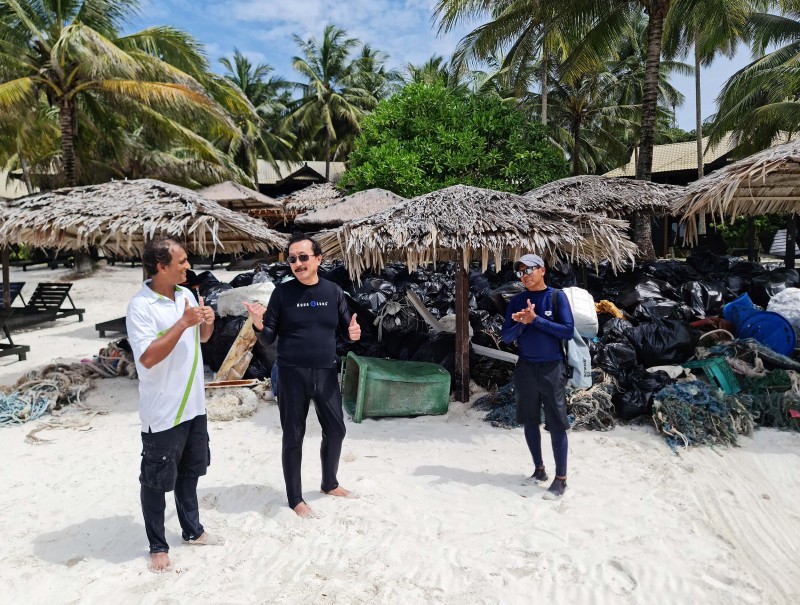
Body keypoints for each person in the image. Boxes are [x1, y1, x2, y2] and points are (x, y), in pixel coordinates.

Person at [244, 234, 361, 518]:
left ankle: (329, 483)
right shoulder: (282, 294)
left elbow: (347, 330)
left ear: (318, 259)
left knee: (336, 430)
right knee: (294, 435)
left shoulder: (333, 292)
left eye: (304, 257)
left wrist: (354, 334)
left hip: (326, 372)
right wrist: (258, 324)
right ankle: (295, 499)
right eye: (292, 259)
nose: (298, 263)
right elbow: (268, 339)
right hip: (291, 373)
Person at [126, 237, 221, 572]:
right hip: (163, 411)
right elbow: (148, 358)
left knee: (190, 472)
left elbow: (203, 338)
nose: (188, 267)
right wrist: (182, 322)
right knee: (155, 481)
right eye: (181, 262)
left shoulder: (185, 295)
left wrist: (207, 321)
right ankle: (157, 545)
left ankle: (192, 530)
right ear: (161, 266)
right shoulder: (141, 306)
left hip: (194, 405)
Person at [501, 254, 574, 500]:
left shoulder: (556, 297)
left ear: (542, 270)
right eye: (520, 272)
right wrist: (522, 323)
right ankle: (539, 470)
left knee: (556, 424)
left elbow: (568, 331)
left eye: (529, 270)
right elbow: (506, 337)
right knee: (529, 420)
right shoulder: (517, 301)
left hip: (552, 368)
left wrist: (536, 320)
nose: (525, 276)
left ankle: (561, 479)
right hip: (525, 367)